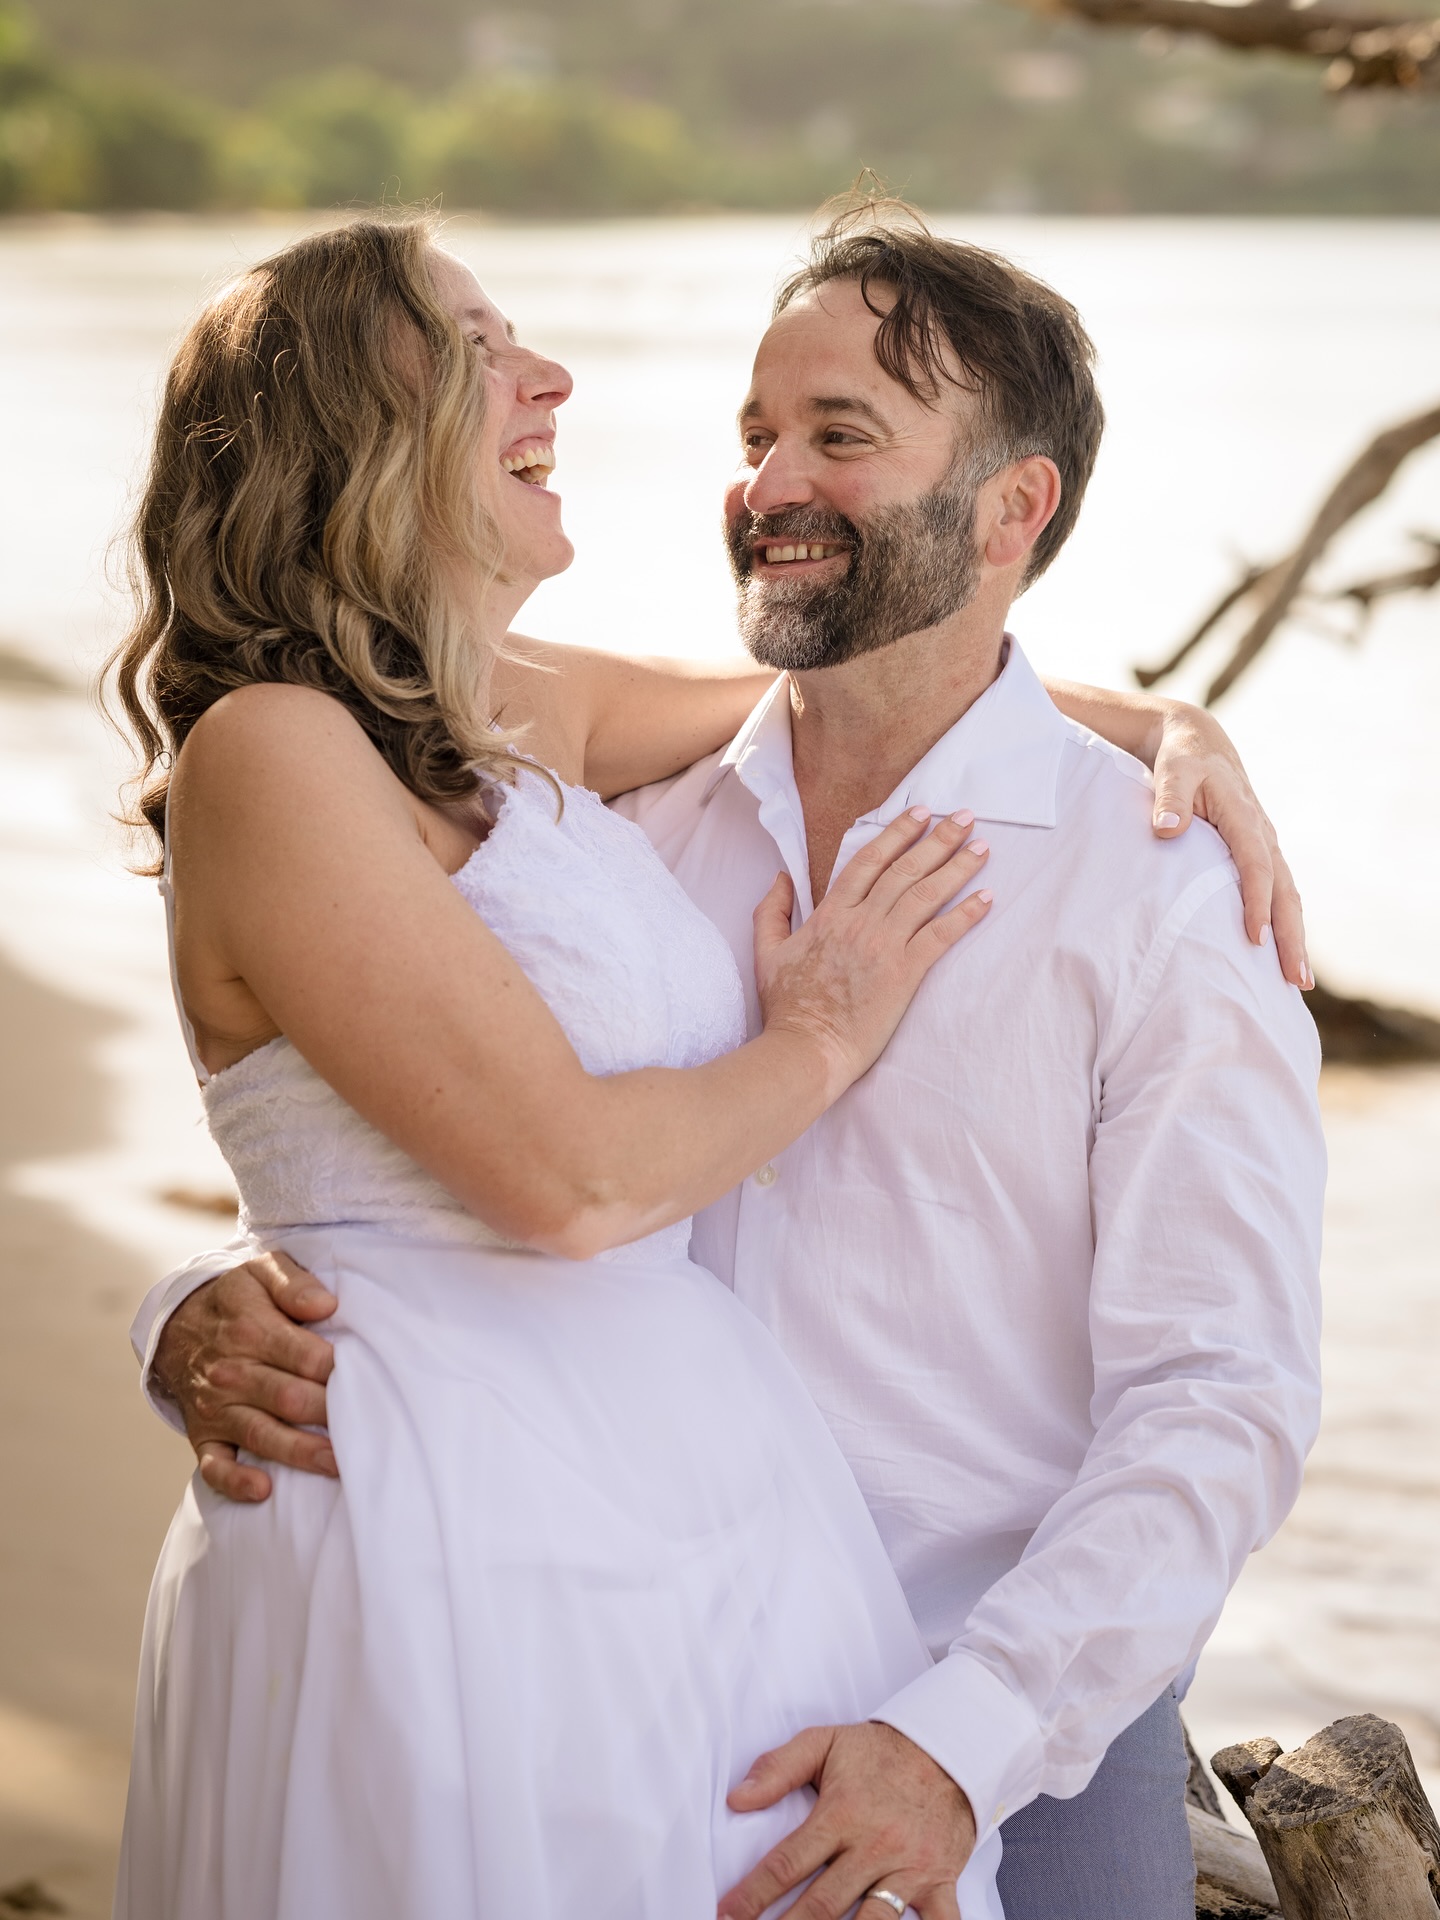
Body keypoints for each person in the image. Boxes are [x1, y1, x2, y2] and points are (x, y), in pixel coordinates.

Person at [123, 207, 1325, 1920]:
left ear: (1013, 508)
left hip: (990, 1707)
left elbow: (1223, 1395)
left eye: (841, 437)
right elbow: (401, 1129)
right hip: (583, 1644)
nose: (768, 484)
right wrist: (198, 1297)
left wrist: (961, 1742)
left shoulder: (1154, 886)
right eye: (757, 433)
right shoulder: (615, 825)